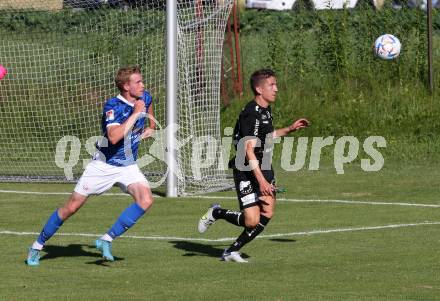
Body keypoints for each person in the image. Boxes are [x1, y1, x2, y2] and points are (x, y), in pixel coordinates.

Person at [26, 65, 156, 266]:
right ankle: (37, 246)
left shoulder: (144, 98)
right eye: (138, 82)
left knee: (146, 200)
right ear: (125, 86)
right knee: (71, 207)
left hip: (128, 166)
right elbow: (113, 138)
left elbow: (149, 117)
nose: (143, 85)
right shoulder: (113, 106)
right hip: (103, 165)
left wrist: (149, 129)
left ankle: (106, 239)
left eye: (141, 81)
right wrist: (135, 115)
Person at [198, 68, 309, 262]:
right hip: (245, 168)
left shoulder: (265, 110)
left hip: (262, 164)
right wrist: (262, 182)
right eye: (271, 85)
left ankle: (231, 251)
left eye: (276, 84)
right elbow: (248, 150)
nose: (276, 89)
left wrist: (289, 129)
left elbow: (266, 136)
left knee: (268, 211)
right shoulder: (250, 113)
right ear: (259, 89)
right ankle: (217, 212)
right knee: (252, 220)